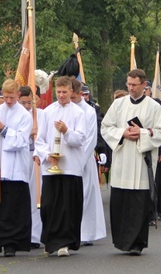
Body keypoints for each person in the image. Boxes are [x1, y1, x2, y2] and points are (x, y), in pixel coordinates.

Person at [101, 69, 161, 256]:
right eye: (128, 84)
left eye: (134, 85)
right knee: (120, 202)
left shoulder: (154, 106)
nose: (130, 88)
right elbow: (106, 127)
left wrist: (142, 133)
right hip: (122, 158)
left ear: (144, 85)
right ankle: (121, 241)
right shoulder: (118, 104)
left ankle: (137, 243)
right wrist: (122, 133)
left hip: (140, 159)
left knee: (138, 203)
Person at [35, 76, 88, 257]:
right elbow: (40, 139)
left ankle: (65, 242)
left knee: (68, 205)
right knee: (49, 204)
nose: (61, 95)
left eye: (65, 92)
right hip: (51, 166)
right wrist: (46, 155)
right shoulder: (48, 112)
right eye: (58, 92)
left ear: (71, 91)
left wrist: (66, 131)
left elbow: (81, 138)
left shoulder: (78, 113)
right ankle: (51, 241)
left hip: (71, 165)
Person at [0, 79, 34, 257]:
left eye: (11, 97)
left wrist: (4, 130)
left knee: (13, 208)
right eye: (5, 97)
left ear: (18, 95)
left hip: (15, 168)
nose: (8, 101)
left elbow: (20, 141)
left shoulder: (24, 116)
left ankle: (11, 244)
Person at [70, 79, 107, 245]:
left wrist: (79, 161)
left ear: (80, 94)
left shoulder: (89, 111)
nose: (70, 100)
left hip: (84, 160)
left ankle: (87, 233)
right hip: (67, 160)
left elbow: (90, 138)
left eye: (73, 97)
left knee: (86, 195)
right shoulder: (64, 109)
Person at [18, 85, 44, 248]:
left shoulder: (42, 115)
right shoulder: (15, 115)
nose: (27, 107)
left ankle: (35, 235)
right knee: (20, 196)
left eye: (30, 102)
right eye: (24, 103)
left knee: (36, 196)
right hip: (19, 157)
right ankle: (20, 234)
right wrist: (28, 132)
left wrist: (37, 132)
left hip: (36, 157)